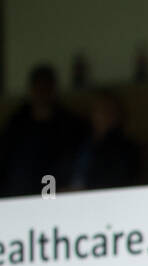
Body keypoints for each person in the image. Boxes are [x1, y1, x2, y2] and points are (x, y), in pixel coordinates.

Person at [0, 65, 87, 197]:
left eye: (46, 88)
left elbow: (71, 162)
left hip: (52, 191)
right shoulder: (17, 122)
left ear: (53, 90)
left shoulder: (68, 123)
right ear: (31, 90)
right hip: (17, 192)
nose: (42, 93)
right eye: (38, 88)